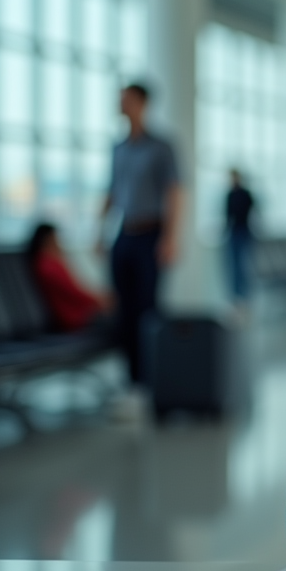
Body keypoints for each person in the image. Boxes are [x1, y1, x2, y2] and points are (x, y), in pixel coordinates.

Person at [99, 83, 181, 386]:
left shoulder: (161, 147)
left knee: (148, 308)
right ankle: (131, 377)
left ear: (143, 103)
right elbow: (111, 191)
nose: (121, 104)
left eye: (127, 99)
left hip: (151, 233)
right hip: (124, 233)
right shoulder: (118, 148)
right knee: (124, 308)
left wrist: (170, 237)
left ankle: (152, 375)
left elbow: (174, 192)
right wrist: (99, 231)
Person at [27, 223, 112, 332]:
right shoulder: (48, 265)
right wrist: (99, 300)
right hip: (74, 316)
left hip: (77, 312)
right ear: (47, 240)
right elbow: (73, 292)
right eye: (56, 239)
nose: (59, 243)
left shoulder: (45, 263)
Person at [224, 169, 256, 306]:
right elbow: (227, 215)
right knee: (234, 266)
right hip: (233, 232)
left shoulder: (246, 194)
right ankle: (236, 297)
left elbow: (254, 211)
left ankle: (246, 296)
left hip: (245, 231)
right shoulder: (230, 194)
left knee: (245, 266)